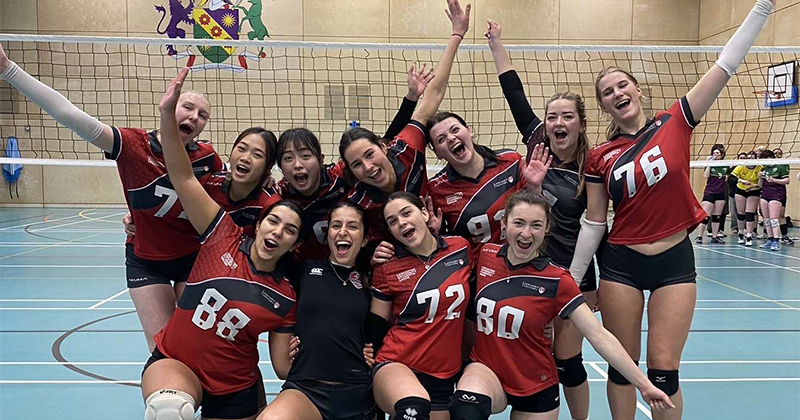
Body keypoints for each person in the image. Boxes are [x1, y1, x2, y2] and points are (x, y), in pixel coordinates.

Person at [567, 2, 775, 419]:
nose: (617, 94)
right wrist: (573, 278)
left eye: (622, 85)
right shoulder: (599, 157)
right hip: (621, 263)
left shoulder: (676, 120)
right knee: (623, 367)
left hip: (674, 261)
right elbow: (593, 222)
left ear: (638, 90)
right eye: (607, 93)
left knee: (665, 371)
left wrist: (763, 9)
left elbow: (726, 65)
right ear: (604, 107)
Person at [0, 45, 226, 352]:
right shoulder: (133, 146)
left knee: (202, 345)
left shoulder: (208, 158)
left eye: (202, 115)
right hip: (147, 262)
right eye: (187, 107)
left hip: (192, 259)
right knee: (164, 348)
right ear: (170, 105)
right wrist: (8, 69)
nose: (194, 117)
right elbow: (69, 115)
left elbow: (228, 201)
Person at [141, 68, 300, 420]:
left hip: (235, 382)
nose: (277, 232)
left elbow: (284, 367)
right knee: (169, 410)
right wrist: (167, 114)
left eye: (289, 230)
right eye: (273, 222)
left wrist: (309, 349)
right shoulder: (222, 235)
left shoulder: (287, 294)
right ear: (258, 224)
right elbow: (181, 175)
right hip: (177, 360)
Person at [448, 190, 673, 420]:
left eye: (536, 225)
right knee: (466, 411)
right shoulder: (485, 256)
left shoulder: (556, 280)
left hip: (535, 384)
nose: (526, 233)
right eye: (519, 223)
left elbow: (599, 336)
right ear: (504, 223)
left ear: (546, 229)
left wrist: (643, 384)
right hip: (487, 370)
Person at [482, 19, 605, 420]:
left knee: (568, 362)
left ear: (580, 123)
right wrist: (497, 42)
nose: (557, 123)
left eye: (566, 116)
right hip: (524, 267)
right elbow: (513, 92)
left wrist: (582, 285)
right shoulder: (537, 142)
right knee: (537, 353)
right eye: (552, 116)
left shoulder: (593, 167)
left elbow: (597, 229)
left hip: (571, 273)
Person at [340, 0, 470, 242]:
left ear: (383, 146)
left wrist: (457, 34)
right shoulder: (358, 200)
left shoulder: (406, 147)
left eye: (369, 154)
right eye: (357, 164)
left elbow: (435, 93)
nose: (368, 167)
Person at [277, 62, 434, 260]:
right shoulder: (279, 193)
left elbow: (380, 146)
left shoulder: (339, 175)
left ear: (320, 160)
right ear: (280, 167)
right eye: (288, 159)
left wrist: (411, 99)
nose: (298, 164)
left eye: (305, 156)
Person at [257, 201, 376, 420]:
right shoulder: (303, 270)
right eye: (336, 225)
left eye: (352, 226)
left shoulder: (373, 280)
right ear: (327, 234)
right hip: (306, 388)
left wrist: (374, 350)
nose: (342, 232)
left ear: (365, 238)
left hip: (358, 391)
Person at [371, 192, 473, 420]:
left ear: (425, 213)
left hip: (443, 376)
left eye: (407, 213)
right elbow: (376, 324)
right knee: (413, 409)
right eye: (393, 221)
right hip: (397, 364)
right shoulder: (387, 266)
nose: (402, 223)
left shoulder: (460, 249)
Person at [123, 126, 282, 238]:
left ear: (268, 166)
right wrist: (139, 215)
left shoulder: (270, 203)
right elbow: (171, 203)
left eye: (257, 155)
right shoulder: (209, 185)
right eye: (241, 148)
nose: (245, 158)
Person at [696, 144, 729, 244]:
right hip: (710, 192)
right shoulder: (709, 164)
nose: (715, 155)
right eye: (714, 153)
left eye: (717, 153)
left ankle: (715, 237)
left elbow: (726, 178)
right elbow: (706, 176)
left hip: (720, 193)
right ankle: (699, 236)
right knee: (705, 216)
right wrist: (709, 164)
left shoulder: (726, 165)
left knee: (717, 216)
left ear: (722, 154)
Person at [758, 149, 790, 251]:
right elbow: (760, 185)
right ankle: (770, 239)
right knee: (766, 220)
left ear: (771, 158)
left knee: (774, 219)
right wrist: (759, 177)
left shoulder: (780, 166)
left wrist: (773, 180)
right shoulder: (764, 169)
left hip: (776, 195)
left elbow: (787, 181)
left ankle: (776, 241)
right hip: (765, 195)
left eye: (764, 159)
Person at [732, 150, 763, 246]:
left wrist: (759, 179)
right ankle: (741, 234)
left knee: (750, 214)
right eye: (748, 158)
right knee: (741, 214)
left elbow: (761, 185)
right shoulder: (741, 166)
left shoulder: (760, 168)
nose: (750, 160)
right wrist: (741, 180)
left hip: (754, 190)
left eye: (753, 159)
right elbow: (731, 178)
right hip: (740, 190)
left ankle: (749, 236)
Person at [773, 148, 794, 245]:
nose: (777, 155)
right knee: (769, 216)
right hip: (767, 193)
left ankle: (784, 236)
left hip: (780, 193)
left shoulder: (784, 164)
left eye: (779, 153)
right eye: (775, 153)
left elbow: (787, 180)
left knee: (781, 214)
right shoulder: (765, 166)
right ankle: (770, 236)